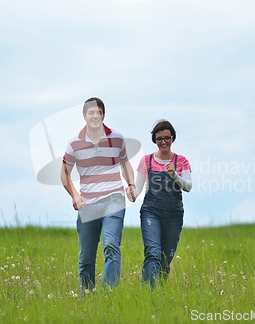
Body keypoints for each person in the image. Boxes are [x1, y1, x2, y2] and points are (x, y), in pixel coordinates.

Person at [61, 97, 136, 293]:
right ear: (84, 116)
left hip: (114, 200)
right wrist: (75, 195)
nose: (95, 116)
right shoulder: (74, 143)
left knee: (111, 246)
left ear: (103, 115)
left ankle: (110, 295)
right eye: (91, 112)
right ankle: (88, 296)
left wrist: (130, 184)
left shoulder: (117, 138)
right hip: (88, 204)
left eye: (98, 112)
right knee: (86, 258)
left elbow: (125, 163)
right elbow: (64, 174)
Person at [133, 120, 192, 288]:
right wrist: (131, 194)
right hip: (151, 211)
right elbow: (137, 189)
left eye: (167, 138)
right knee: (153, 253)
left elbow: (188, 186)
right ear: (154, 140)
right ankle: (148, 293)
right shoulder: (146, 161)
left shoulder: (182, 161)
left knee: (166, 258)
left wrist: (174, 175)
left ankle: (160, 289)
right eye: (159, 139)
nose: (163, 142)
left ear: (172, 138)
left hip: (174, 214)